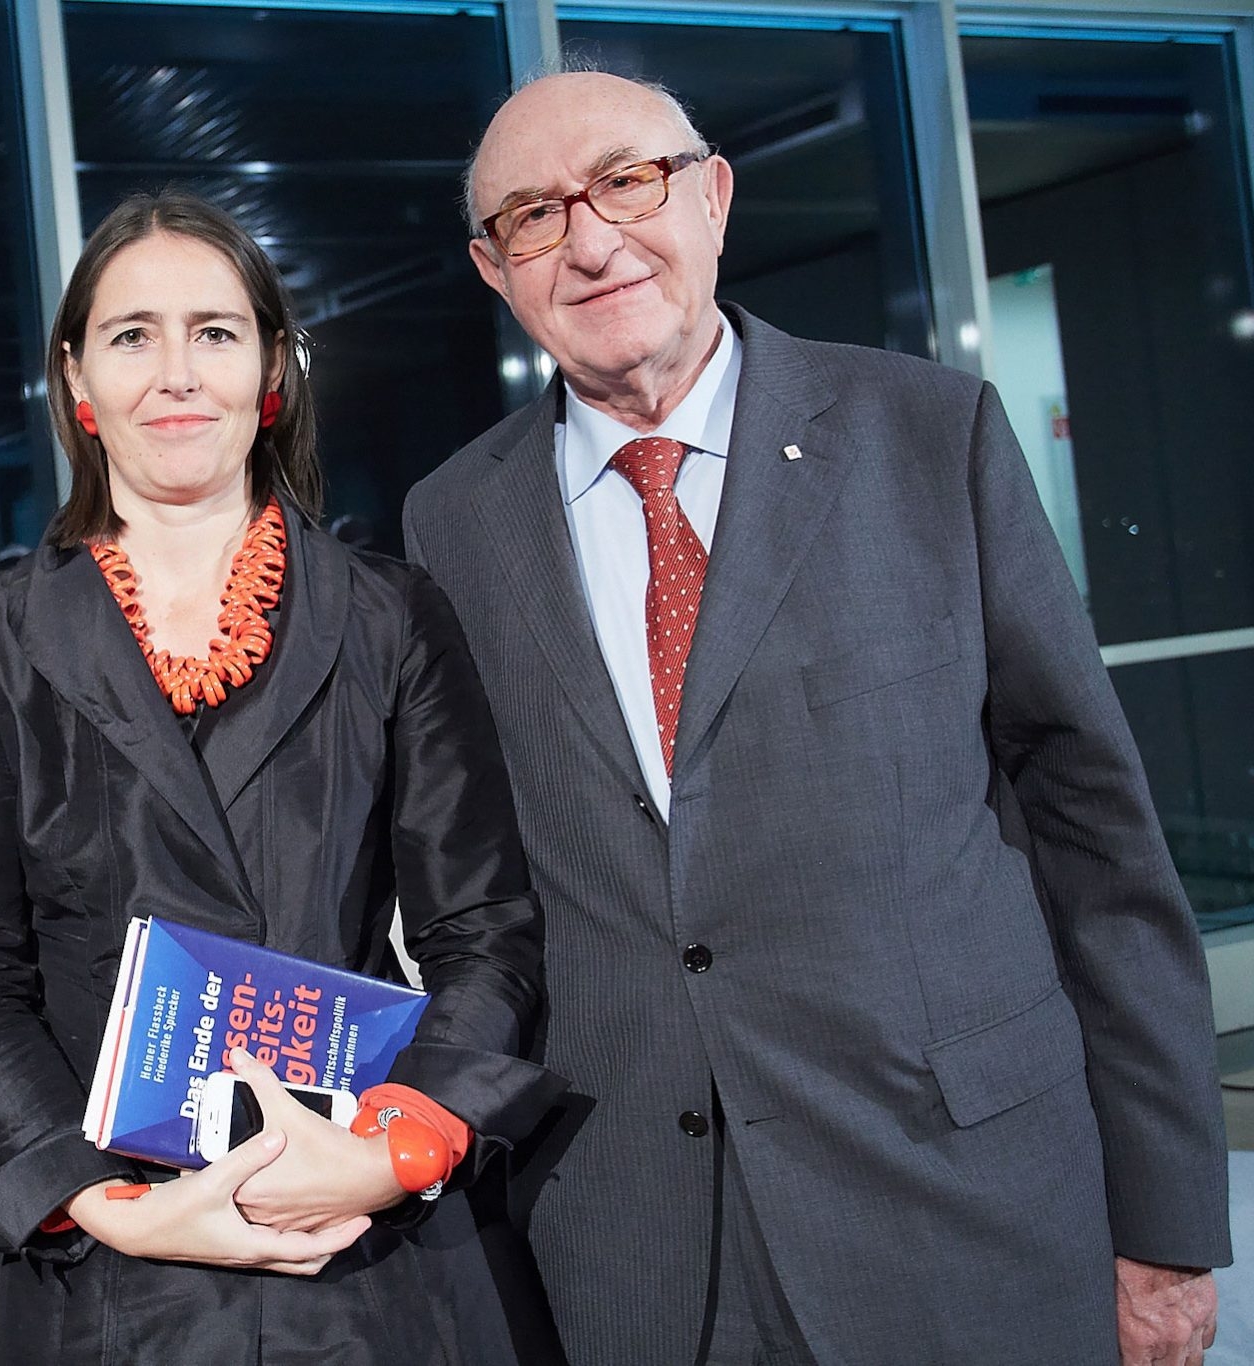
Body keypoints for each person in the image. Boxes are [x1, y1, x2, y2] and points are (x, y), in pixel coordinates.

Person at [405, 70, 1232, 1366]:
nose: (592, 241)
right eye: (534, 215)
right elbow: (474, 885)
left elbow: (1098, 844)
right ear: (492, 267)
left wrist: (1168, 1218)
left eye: (627, 182)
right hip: (631, 1244)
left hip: (957, 1202)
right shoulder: (451, 522)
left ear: (713, 196)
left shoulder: (927, 433)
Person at [0, 189, 564, 1363]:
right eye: (131, 336)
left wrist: (393, 1148)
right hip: (113, 1267)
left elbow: (482, 931)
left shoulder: (389, 614)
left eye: (213, 332)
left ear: (270, 372)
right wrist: (107, 1202)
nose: (175, 374)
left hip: (363, 1245)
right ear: (76, 382)